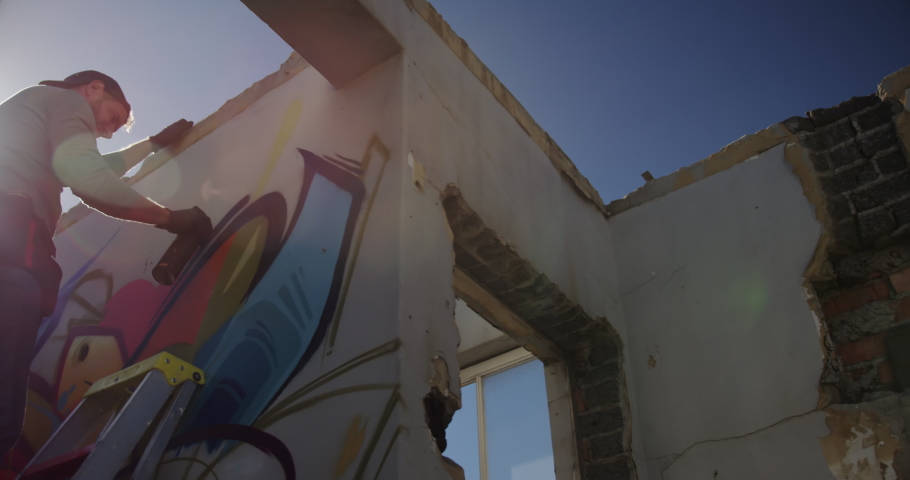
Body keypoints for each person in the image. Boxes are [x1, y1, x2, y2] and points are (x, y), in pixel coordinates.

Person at [0, 70, 213, 457]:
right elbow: (86, 175)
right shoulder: (67, 100)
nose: (108, 131)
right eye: (112, 118)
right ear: (93, 88)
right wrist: (170, 218)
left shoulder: (29, 109)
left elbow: (84, 164)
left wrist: (150, 145)